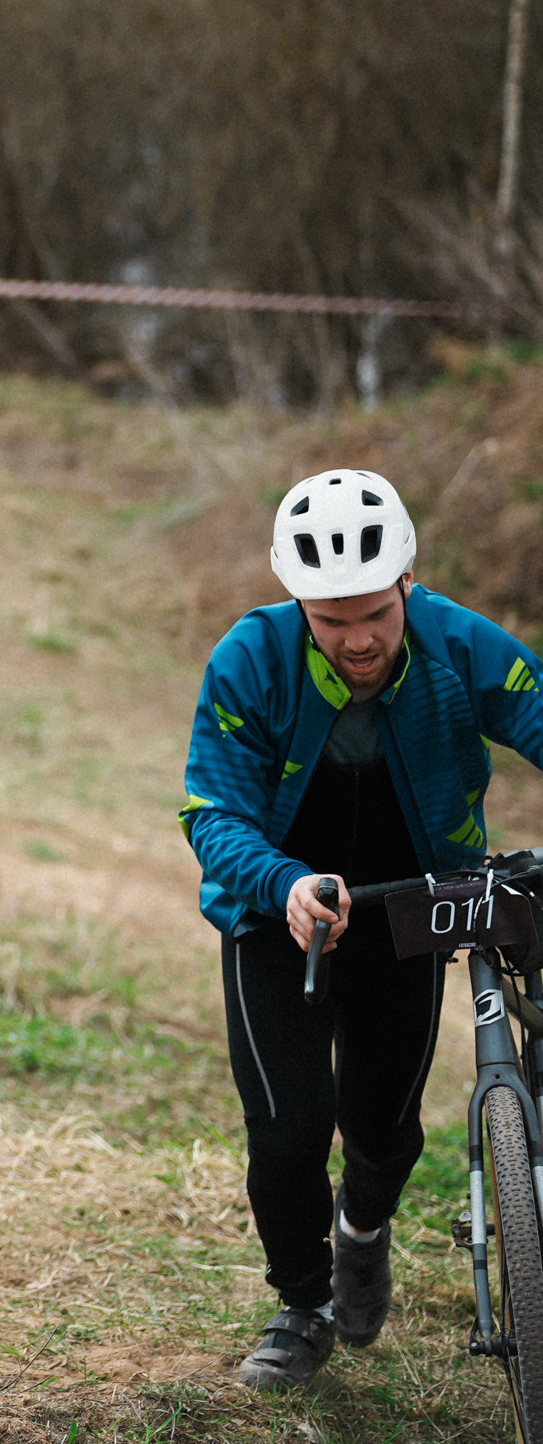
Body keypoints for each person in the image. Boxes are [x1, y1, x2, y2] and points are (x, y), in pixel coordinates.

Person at [182, 468, 543, 1390]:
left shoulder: (457, 643)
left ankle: (364, 1230)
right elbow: (209, 812)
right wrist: (285, 884)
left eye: (375, 614)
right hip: (279, 919)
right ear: (296, 600)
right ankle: (303, 1307)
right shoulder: (250, 658)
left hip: (411, 908)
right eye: (330, 619)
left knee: (384, 1130)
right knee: (290, 1133)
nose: (356, 639)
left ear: (407, 586)